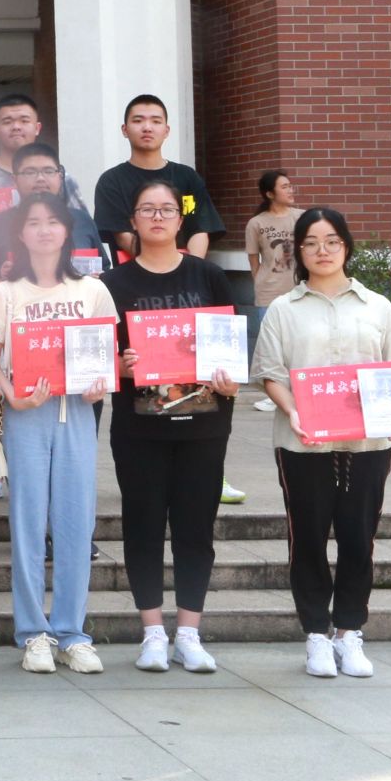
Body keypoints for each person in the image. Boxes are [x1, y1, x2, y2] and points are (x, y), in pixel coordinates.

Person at [255, 207, 391, 681]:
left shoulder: (377, 307)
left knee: (358, 538)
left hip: (368, 445)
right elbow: (271, 373)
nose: (322, 250)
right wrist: (293, 411)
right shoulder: (284, 309)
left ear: (346, 247)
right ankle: (315, 634)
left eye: (331, 241)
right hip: (302, 443)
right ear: (298, 251)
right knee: (307, 539)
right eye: (310, 242)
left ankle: (349, 633)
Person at [101, 179, 239, 675]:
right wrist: (121, 365)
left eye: (166, 210)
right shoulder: (110, 285)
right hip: (139, 430)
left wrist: (230, 380)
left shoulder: (209, 276)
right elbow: (97, 359)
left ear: (181, 220)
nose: (157, 217)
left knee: (195, 529)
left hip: (203, 427)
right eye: (147, 210)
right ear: (133, 221)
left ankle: (189, 634)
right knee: (142, 527)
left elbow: (231, 353)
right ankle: (153, 633)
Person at [0, 194, 116, 676]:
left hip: (76, 412)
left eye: (53, 222)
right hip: (26, 416)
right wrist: (11, 397)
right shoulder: (6, 293)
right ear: (20, 233)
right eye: (34, 222)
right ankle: (33, 632)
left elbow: (105, 355)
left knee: (76, 522)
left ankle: (72, 632)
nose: (43, 230)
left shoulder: (92, 290)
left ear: (66, 231)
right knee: (27, 521)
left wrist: (100, 384)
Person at [0, 142, 110, 303]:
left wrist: (93, 280)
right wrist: (4, 283)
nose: (40, 179)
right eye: (30, 172)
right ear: (14, 179)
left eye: (48, 171)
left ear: (60, 176)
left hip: (79, 311)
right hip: (19, 312)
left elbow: (105, 272)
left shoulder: (81, 220)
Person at [92, 93, 224, 260]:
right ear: (125, 130)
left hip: (186, 271)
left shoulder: (187, 178)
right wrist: (162, 266)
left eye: (156, 121)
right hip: (132, 272)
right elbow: (122, 235)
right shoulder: (111, 181)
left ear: (166, 131)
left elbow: (199, 228)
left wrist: (190, 268)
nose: (147, 127)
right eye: (138, 121)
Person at [0, 93, 89, 212]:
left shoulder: (60, 178)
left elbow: (81, 224)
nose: (16, 127)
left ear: (37, 128)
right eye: (7, 122)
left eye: (24, 121)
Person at [245, 168, 301, 411]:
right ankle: (274, 393)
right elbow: (253, 259)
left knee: (298, 341)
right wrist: (259, 281)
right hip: (268, 291)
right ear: (270, 193)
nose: (290, 190)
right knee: (272, 344)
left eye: (290, 185)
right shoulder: (257, 223)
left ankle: (298, 390)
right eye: (284, 186)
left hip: (299, 289)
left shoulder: (302, 217)